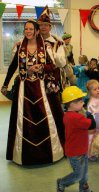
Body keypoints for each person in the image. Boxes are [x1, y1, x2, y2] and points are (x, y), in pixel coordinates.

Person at [0, 19, 65, 165]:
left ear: (36, 31)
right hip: (24, 89)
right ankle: (24, 155)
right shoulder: (19, 47)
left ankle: (50, 153)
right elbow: (12, 67)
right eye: (26, 29)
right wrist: (5, 85)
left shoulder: (46, 47)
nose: (28, 31)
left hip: (41, 89)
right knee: (23, 120)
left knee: (45, 116)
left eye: (31, 29)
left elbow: (53, 66)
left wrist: (40, 67)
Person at [57, 86, 95, 192]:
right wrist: (89, 114)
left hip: (80, 149)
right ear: (72, 104)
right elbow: (92, 125)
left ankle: (84, 189)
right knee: (78, 175)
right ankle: (62, 182)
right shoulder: (76, 118)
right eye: (80, 101)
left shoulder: (69, 115)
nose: (83, 102)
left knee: (84, 173)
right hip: (76, 153)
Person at [38, 6, 68, 90]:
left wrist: (52, 52)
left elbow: (62, 63)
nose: (43, 27)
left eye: (46, 25)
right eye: (41, 25)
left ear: (50, 27)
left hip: (53, 79)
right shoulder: (33, 41)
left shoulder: (58, 43)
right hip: (36, 80)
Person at [86, 80, 99, 160]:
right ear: (89, 92)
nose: (98, 90)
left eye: (98, 88)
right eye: (94, 89)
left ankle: (95, 151)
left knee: (96, 138)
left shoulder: (98, 98)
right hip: (93, 124)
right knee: (91, 139)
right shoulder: (92, 103)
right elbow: (95, 115)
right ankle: (88, 154)